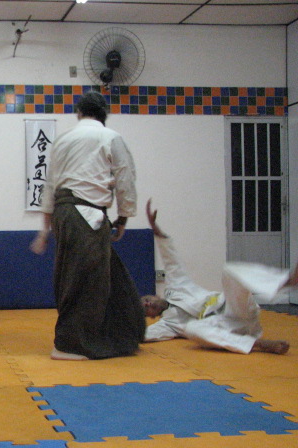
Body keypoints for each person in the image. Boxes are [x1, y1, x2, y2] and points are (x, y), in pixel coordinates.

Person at [31, 92, 145, 360]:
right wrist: (123, 218)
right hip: (87, 214)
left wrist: (44, 230)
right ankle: (71, 345)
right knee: (88, 282)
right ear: (104, 114)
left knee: (72, 277)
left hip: (63, 214)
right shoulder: (110, 137)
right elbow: (125, 179)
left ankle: (89, 338)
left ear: (79, 113)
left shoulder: (63, 139)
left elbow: (50, 184)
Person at [142, 198, 295, 354]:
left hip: (235, 307)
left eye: (146, 300)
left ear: (155, 295)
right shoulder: (167, 324)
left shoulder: (176, 286)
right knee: (192, 329)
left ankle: (286, 281)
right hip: (225, 327)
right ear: (151, 317)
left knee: (229, 271)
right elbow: (142, 335)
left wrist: (156, 230)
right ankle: (259, 344)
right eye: (145, 309)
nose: (148, 304)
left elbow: (171, 261)